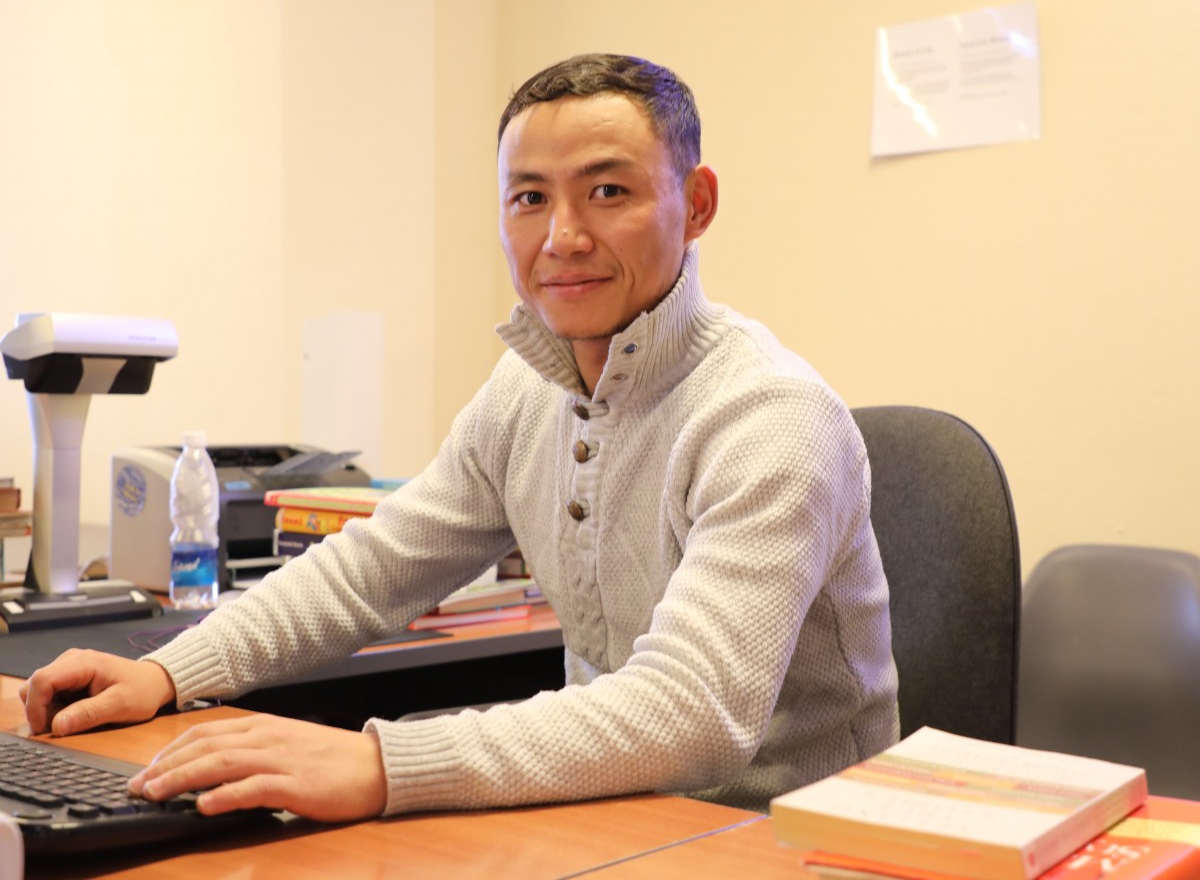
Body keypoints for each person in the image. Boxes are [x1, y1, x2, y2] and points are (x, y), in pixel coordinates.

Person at [20, 53, 899, 821]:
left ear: (696, 204)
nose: (562, 237)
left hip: (784, 839)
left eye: (608, 191)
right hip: (609, 811)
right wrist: (171, 673)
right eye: (529, 198)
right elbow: (374, 568)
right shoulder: (529, 388)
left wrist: (382, 763)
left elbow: (693, 713)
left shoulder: (771, 415)